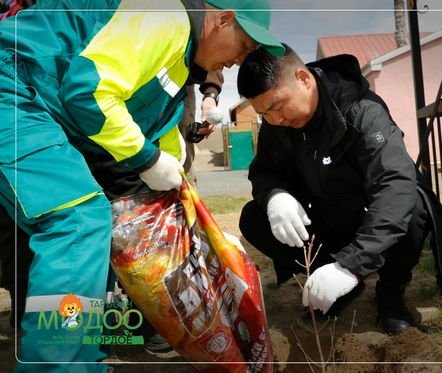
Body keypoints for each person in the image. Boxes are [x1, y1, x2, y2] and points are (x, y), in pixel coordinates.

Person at [0, 1, 284, 372]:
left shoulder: (179, 67)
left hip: (36, 101)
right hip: (14, 88)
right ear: (223, 20)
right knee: (79, 222)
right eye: (244, 46)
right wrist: (147, 159)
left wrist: (203, 233)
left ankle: (82, 360)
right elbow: (88, 91)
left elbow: (159, 150)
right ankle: (54, 367)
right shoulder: (165, 17)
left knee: (95, 234)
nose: (238, 61)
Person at [236, 45, 442, 334]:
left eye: (277, 106)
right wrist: (276, 195)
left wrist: (351, 266)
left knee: (412, 204)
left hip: (372, 219)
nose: (274, 119)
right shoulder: (277, 124)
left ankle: (390, 292)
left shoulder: (363, 110)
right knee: (254, 217)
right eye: (264, 113)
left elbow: (394, 184)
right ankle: (332, 284)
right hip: (328, 216)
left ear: (303, 78)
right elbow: (265, 171)